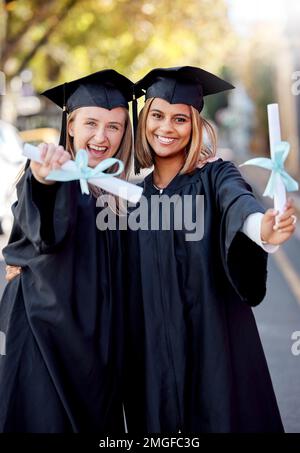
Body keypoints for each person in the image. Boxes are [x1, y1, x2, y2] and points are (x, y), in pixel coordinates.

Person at [123, 66, 297, 433]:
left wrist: (261, 228)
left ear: (196, 125)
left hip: (216, 349)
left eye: (179, 119)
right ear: (143, 120)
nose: (166, 128)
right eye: (156, 115)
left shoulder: (216, 176)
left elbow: (238, 203)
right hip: (153, 362)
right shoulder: (131, 200)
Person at [0, 69, 135, 432]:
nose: (101, 137)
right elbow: (43, 231)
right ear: (70, 125)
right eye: (91, 123)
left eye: (114, 126)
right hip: (44, 341)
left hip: (97, 349)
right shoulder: (54, 174)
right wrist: (45, 180)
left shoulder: (120, 192)